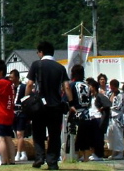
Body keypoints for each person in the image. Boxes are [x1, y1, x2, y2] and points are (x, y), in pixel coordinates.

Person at [25, 41, 73, 170]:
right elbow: (66, 86)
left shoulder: (36, 65)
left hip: (39, 106)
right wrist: (71, 102)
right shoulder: (60, 67)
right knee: (54, 135)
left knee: (38, 132)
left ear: (41, 52)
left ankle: (39, 157)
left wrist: (26, 99)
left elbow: (29, 84)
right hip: (56, 106)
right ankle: (52, 161)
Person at [68, 64, 91, 162]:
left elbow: (68, 101)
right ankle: (86, 158)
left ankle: (75, 157)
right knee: (85, 138)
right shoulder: (86, 85)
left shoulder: (72, 85)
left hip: (76, 114)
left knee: (74, 138)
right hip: (86, 115)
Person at [85, 78, 110, 161]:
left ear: (94, 87)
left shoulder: (99, 96)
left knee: (98, 138)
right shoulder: (91, 96)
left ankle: (99, 154)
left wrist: (101, 108)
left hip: (98, 118)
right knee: (92, 138)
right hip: (92, 118)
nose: (89, 88)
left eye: (90, 86)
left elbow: (108, 103)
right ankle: (94, 153)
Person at [10, 70, 28, 162]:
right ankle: (24, 154)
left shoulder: (24, 87)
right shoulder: (11, 87)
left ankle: (18, 153)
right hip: (13, 113)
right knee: (17, 135)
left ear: (17, 77)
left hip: (21, 112)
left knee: (20, 134)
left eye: (12, 77)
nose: (11, 79)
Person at [106, 79, 124, 160]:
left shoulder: (120, 95)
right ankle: (114, 151)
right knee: (110, 135)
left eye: (113, 87)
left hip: (118, 117)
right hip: (110, 117)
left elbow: (119, 106)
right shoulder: (109, 93)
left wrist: (110, 108)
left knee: (118, 135)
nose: (112, 88)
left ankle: (120, 152)